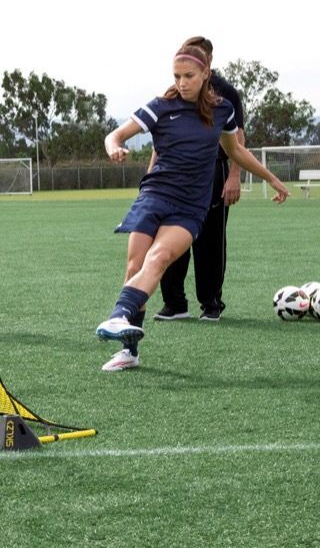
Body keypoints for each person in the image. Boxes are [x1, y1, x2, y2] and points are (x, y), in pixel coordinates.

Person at [94, 43, 290, 371]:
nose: (182, 82)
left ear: (205, 75)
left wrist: (272, 179)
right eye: (177, 76)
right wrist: (114, 147)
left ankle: (116, 317)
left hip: (190, 206)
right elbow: (116, 134)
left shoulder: (223, 110)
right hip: (154, 195)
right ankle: (129, 351)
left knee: (158, 258)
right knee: (134, 267)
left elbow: (237, 152)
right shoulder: (160, 107)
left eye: (189, 76)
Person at [154, 36, 245, 322]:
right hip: (175, 175)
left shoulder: (226, 93)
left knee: (210, 241)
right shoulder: (174, 94)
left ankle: (211, 303)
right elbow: (161, 139)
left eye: (198, 59)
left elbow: (237, 139)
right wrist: (151, 176)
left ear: (208, 65)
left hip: (213, 172)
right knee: (170, 235)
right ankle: (175, 303)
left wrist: (233, 176)